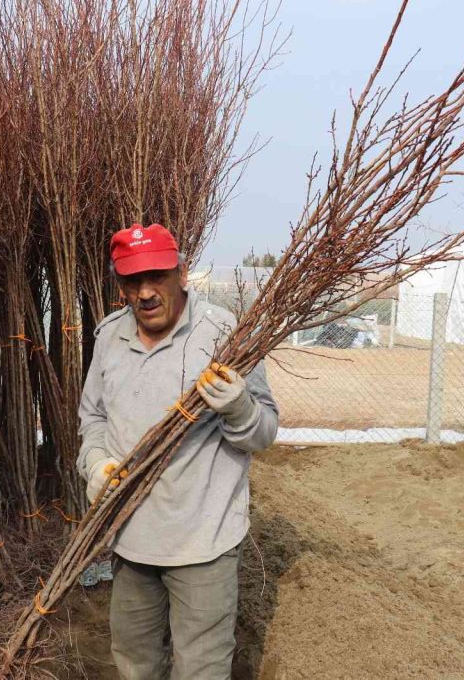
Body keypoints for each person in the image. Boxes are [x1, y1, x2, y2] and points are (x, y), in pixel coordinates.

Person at [77, 223, 279, 680]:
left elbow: (264, 433)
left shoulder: (223, 334)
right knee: (135, 662)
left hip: (203, 540)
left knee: (201, 671)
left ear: (181, 274)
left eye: (157, 276)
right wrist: (96, 465)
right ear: (120, 286)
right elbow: (93, 418)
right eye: (132, 280)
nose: (146, 292)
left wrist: (240, 406)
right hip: (129, 537)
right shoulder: (109, 336)